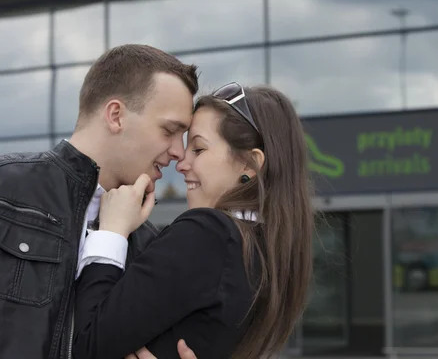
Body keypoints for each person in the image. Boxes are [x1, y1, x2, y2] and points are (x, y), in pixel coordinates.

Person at [72, 82, 315, 358]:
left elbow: (84, 344)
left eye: (198, 149)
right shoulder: (263, 250)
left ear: (250, 164)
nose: (181, 163)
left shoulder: (209, 235)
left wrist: (112, 232)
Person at [0, 44, 201, 359]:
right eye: (170, 131)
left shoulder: (151, 247)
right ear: (116, 116)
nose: (179, 152)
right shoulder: (6, 191)